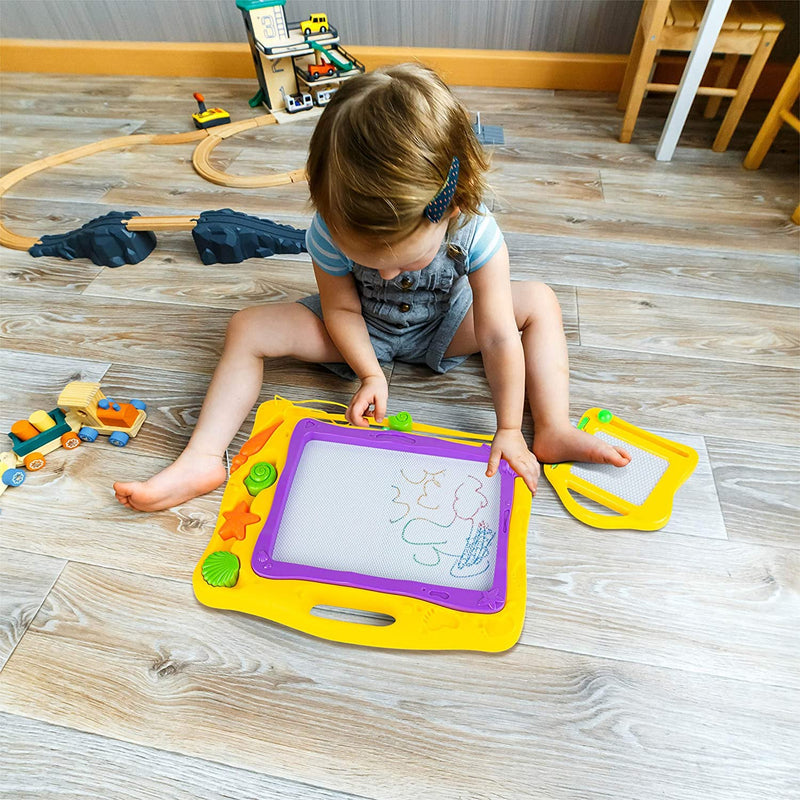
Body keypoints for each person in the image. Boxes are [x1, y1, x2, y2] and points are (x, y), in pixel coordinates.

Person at [113, 63, 629, 512]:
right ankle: (202, 458)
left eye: (401, 260)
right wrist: (369, 371)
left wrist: (510, 429)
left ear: (450, 207)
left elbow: (496, 335)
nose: (384, 275)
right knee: (247, 328)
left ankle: (555, 427)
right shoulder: (330, 227)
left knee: (537, 301)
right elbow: (340, 307)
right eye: (368, 260)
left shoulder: (473, 229)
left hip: (445, 328)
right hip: (361, 328)